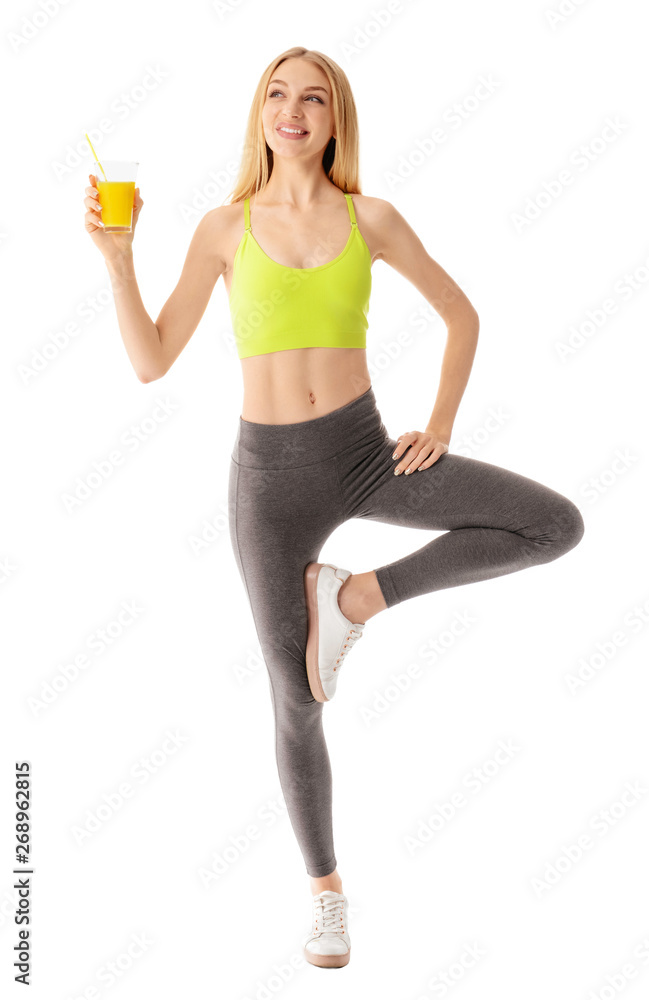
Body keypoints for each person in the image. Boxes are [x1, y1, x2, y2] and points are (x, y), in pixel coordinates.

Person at [83, 46, 585, 970]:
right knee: (296, 693)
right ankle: (325, 895)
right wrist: (120, 259)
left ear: (335, 119)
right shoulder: (221, 228)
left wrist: (435, 423)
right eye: (277, 94)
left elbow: (459, 313)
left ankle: (353, 601)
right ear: (259, 113)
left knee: (553, 524)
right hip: (269, 482)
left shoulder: (373, 218)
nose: (293, 109)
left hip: (365, 454)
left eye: (313, 98)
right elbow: (152, 359)